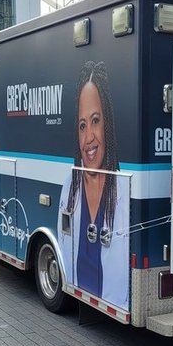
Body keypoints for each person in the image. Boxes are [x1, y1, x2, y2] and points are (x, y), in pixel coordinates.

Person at [58, 61, 130, 307]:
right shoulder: (69, 188)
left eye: (96, 120)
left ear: (107, 123)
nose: (89, 137)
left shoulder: (123, 194)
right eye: (82, 125)